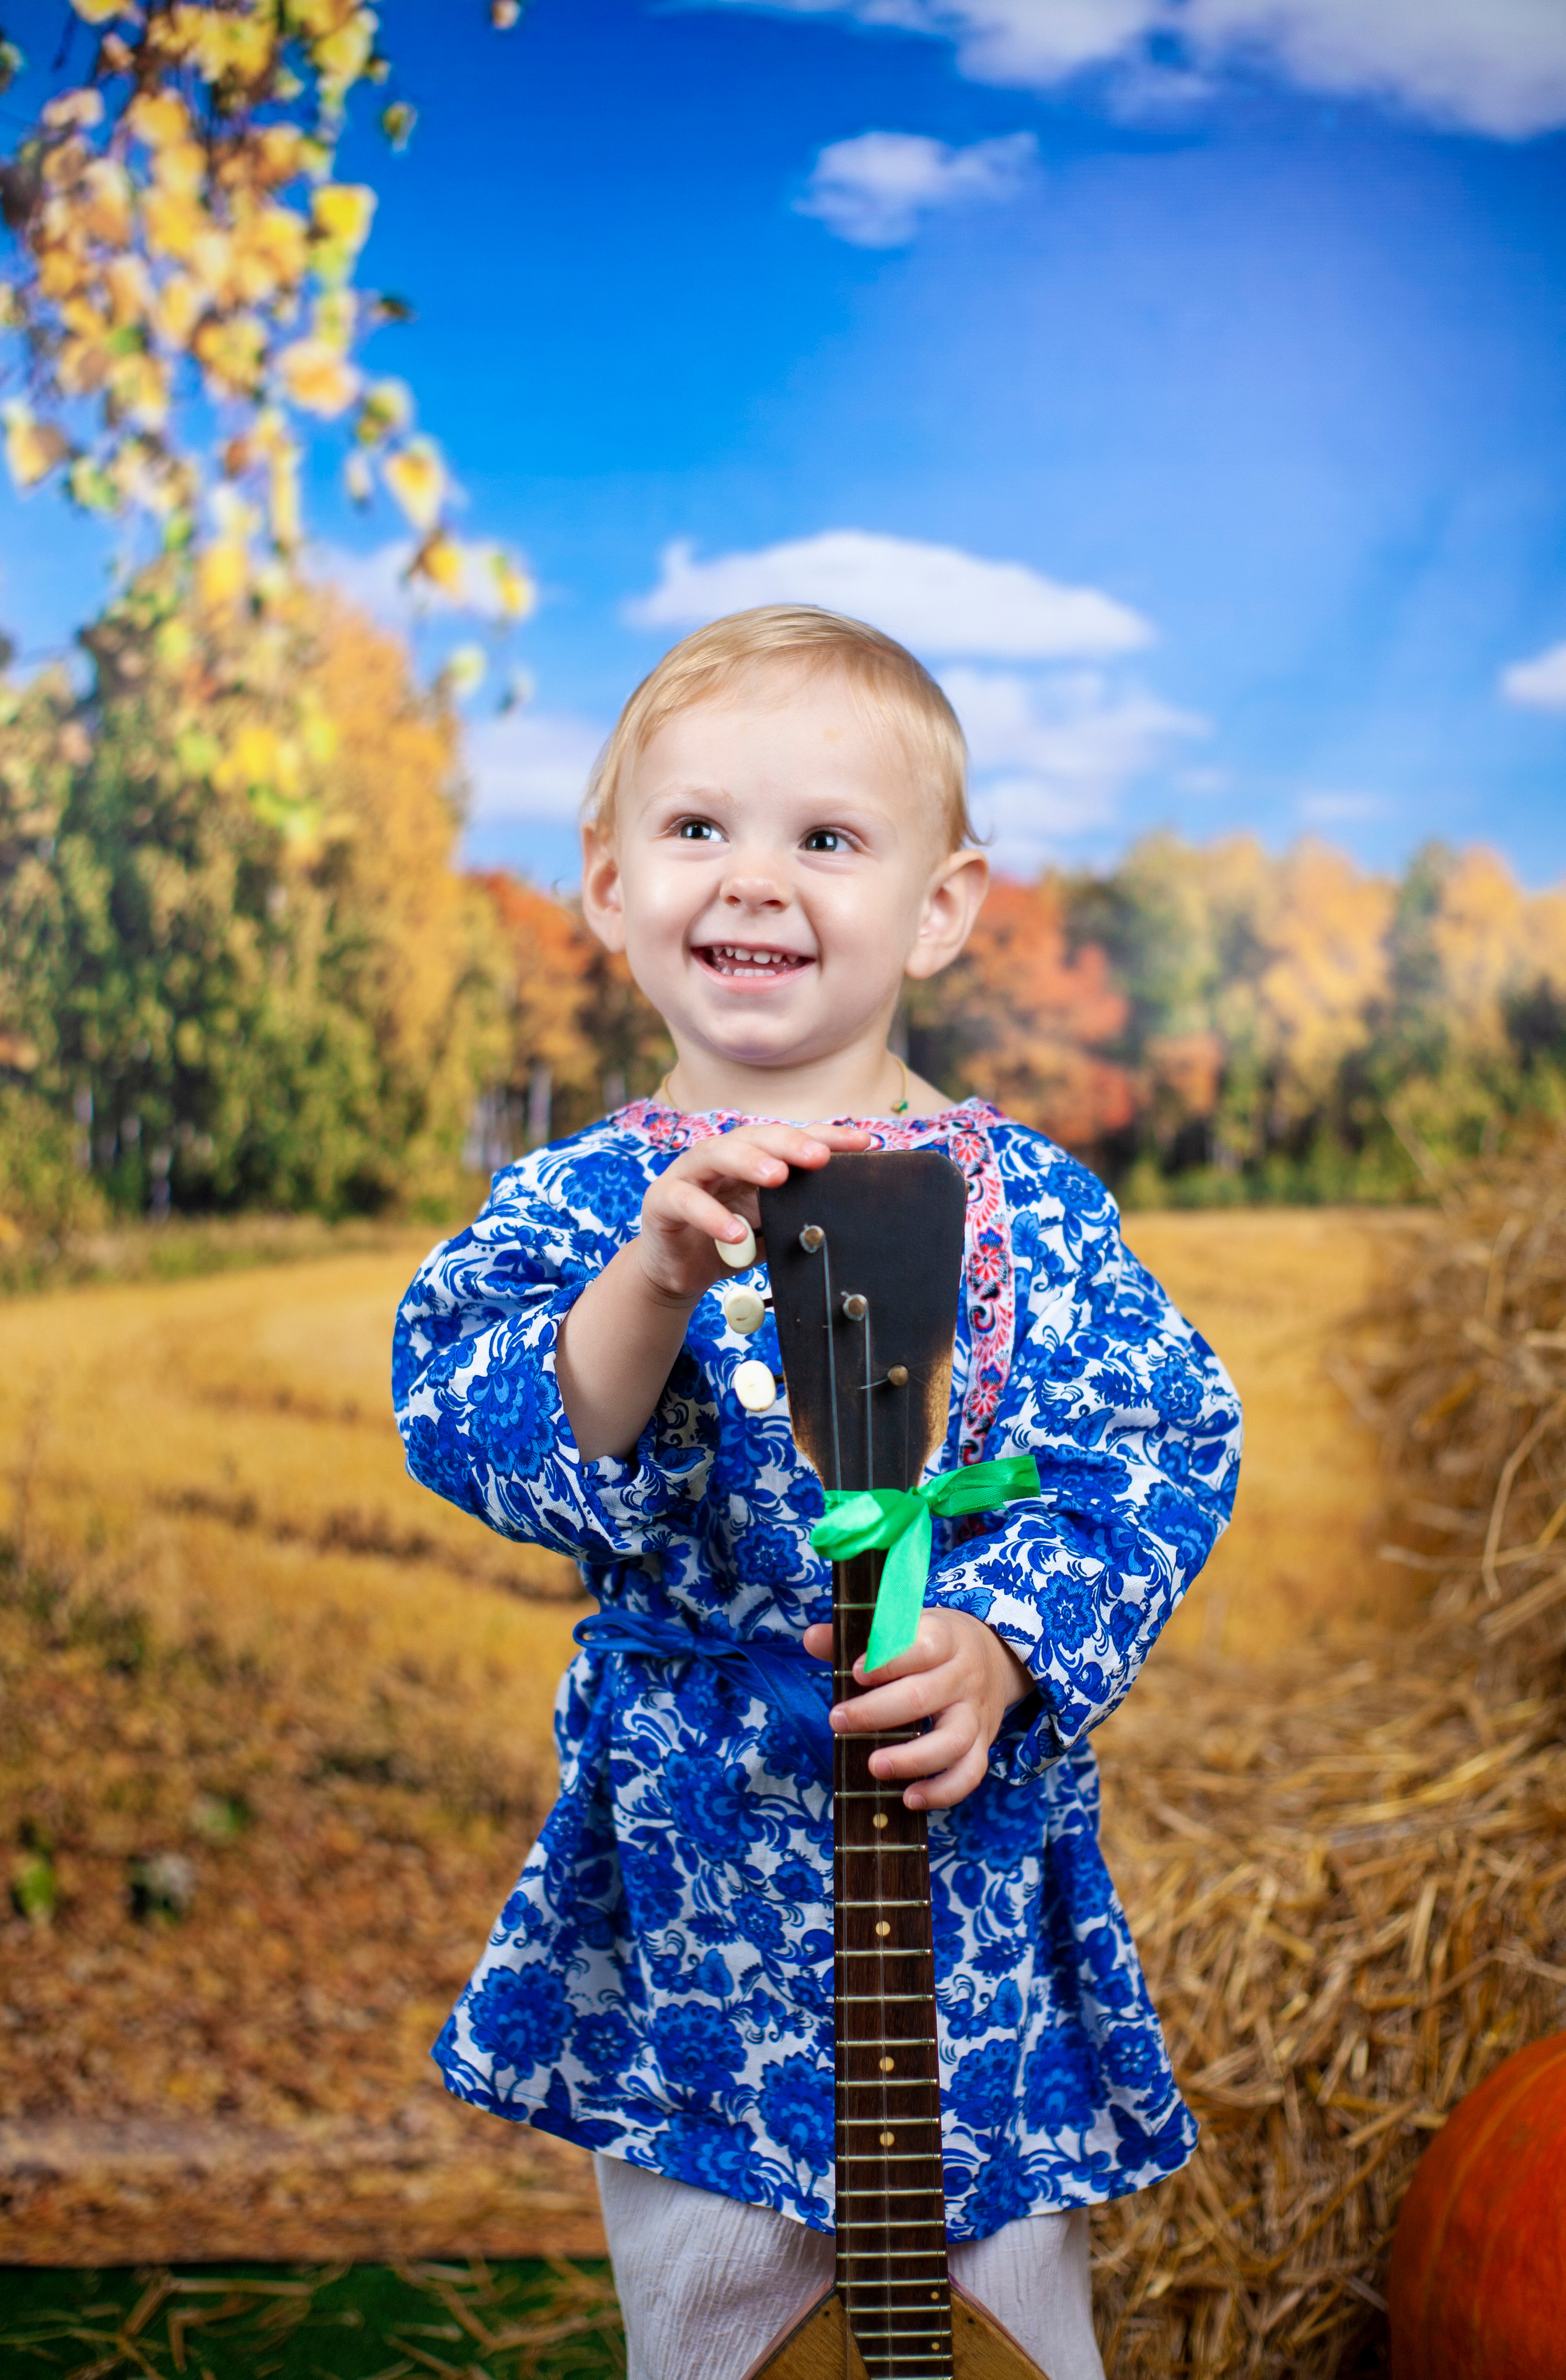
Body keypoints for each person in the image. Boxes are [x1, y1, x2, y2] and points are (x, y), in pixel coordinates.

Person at [392, 606, 1242, 2380]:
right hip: (703, 1880)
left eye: (827, 838)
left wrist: (1004, 1644)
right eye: (698, 827)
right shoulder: (579, 1202)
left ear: (941, 905)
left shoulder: (1032, 1204)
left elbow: (1163, 1442)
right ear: (610, 880)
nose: (753, 880)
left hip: (965, 1893)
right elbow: (475, 1422)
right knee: (718, 2308)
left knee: (1004, 2310)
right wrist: (648, 1283)